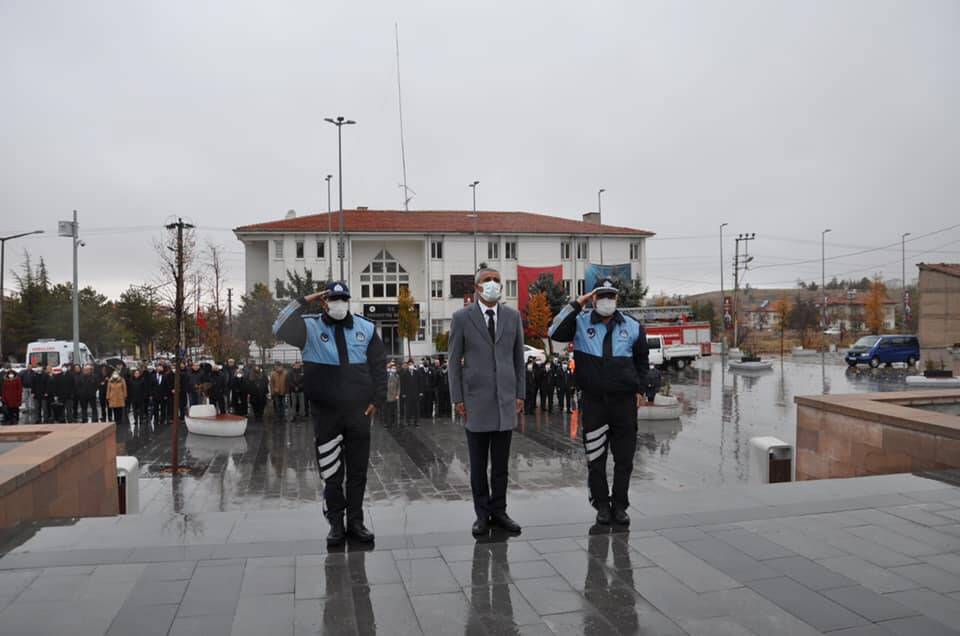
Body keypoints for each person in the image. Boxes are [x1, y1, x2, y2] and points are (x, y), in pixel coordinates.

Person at [273, 280, 386, 547]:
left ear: (348, 301)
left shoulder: (366, 328)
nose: (339, 304)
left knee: (358, 472)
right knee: (332, 471)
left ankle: (355, 522)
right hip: (327, 414)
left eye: (342, 299)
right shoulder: (310, 327)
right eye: (333, 299)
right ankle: (336, 523)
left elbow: (379, 367)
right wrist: (305, 300)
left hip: (359, 413)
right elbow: (279, 326)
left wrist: (377, 400)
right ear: (324, 301)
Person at [548, 277, 649, 526]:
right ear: (593, 298)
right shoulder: (580, 322)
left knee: (624, 459)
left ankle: (620, 505)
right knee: (596, 459)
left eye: (611, 296)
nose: (606, 301)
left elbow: (642, 362)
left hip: (624, 404)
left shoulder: (632, 325)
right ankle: (602, 506)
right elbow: (554, 332)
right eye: (601, 295)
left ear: (617, 299)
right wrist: (577, 303)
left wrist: (641, 390)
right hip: (595, 403)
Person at [448, 267, 525, 537]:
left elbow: (518, 359)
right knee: (479, 465)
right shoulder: (461, 318)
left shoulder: (513, 317)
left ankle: (500, 511)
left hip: (505, 401)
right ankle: (482, 514)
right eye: (487, 280)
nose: (492, 284)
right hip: (475, 401)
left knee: (502, 465)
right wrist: (457, 397)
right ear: (477, 288)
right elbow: (453, 362)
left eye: (496, 280)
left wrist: (520, 394)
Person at [399, 359, 419, 426]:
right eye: (409, 364)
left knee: (416, 408)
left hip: (415, 393)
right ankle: (408, 421)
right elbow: (403, 384)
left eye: (412, 364)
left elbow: (419, 383)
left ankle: (416, 421)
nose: (411, 366)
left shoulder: (417, 372)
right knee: (408, 408)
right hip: (408, 394)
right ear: (408, 365)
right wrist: (403, 393)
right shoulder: (405, 373)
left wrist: (420, 392)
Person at [384, 362, 400, 426]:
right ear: (390, 369)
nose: (394, 369)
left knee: (394, 410)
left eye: (395, 368)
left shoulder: (397, 376)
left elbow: (399, 386)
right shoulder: (386, 375)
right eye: (393, 368)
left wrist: (398, 394)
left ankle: (393, 422)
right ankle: (387, 423)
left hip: (394, 395)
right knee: (387, 410)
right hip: (387, 395)